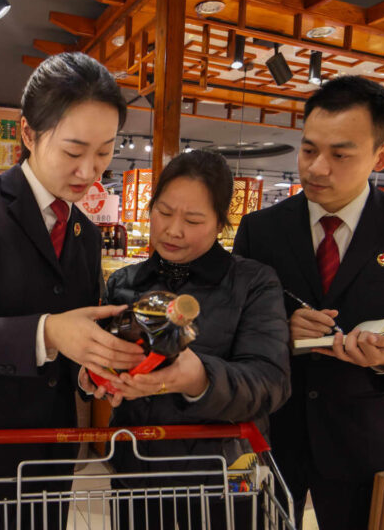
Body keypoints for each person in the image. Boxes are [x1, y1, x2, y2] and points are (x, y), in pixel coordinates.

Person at [0, 52, 147, 530]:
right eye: (74, 151)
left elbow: (74, 338)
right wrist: (48, 333)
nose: (90, 171)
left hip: (50, 449)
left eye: (105, 151)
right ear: (29, 134)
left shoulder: (85, 232)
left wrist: (93, 372)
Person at [233, 75, 384, 530]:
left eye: (340, 154)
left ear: (382, 156)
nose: (317, 168)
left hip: (364, 435)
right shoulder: (261, 230)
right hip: (269, 429)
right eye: (308, 150)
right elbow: (233, 317)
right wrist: (279, 326)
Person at [82, 150, 291, 530]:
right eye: (163, 212)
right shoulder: (124, 283)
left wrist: (200, 379)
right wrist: (93, 375)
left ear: (220, 224)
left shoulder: (254, 283)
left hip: (222, 478)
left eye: (193, 219)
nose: (173, 230)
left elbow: (271, 384)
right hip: (137, 472)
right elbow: (100, 363)